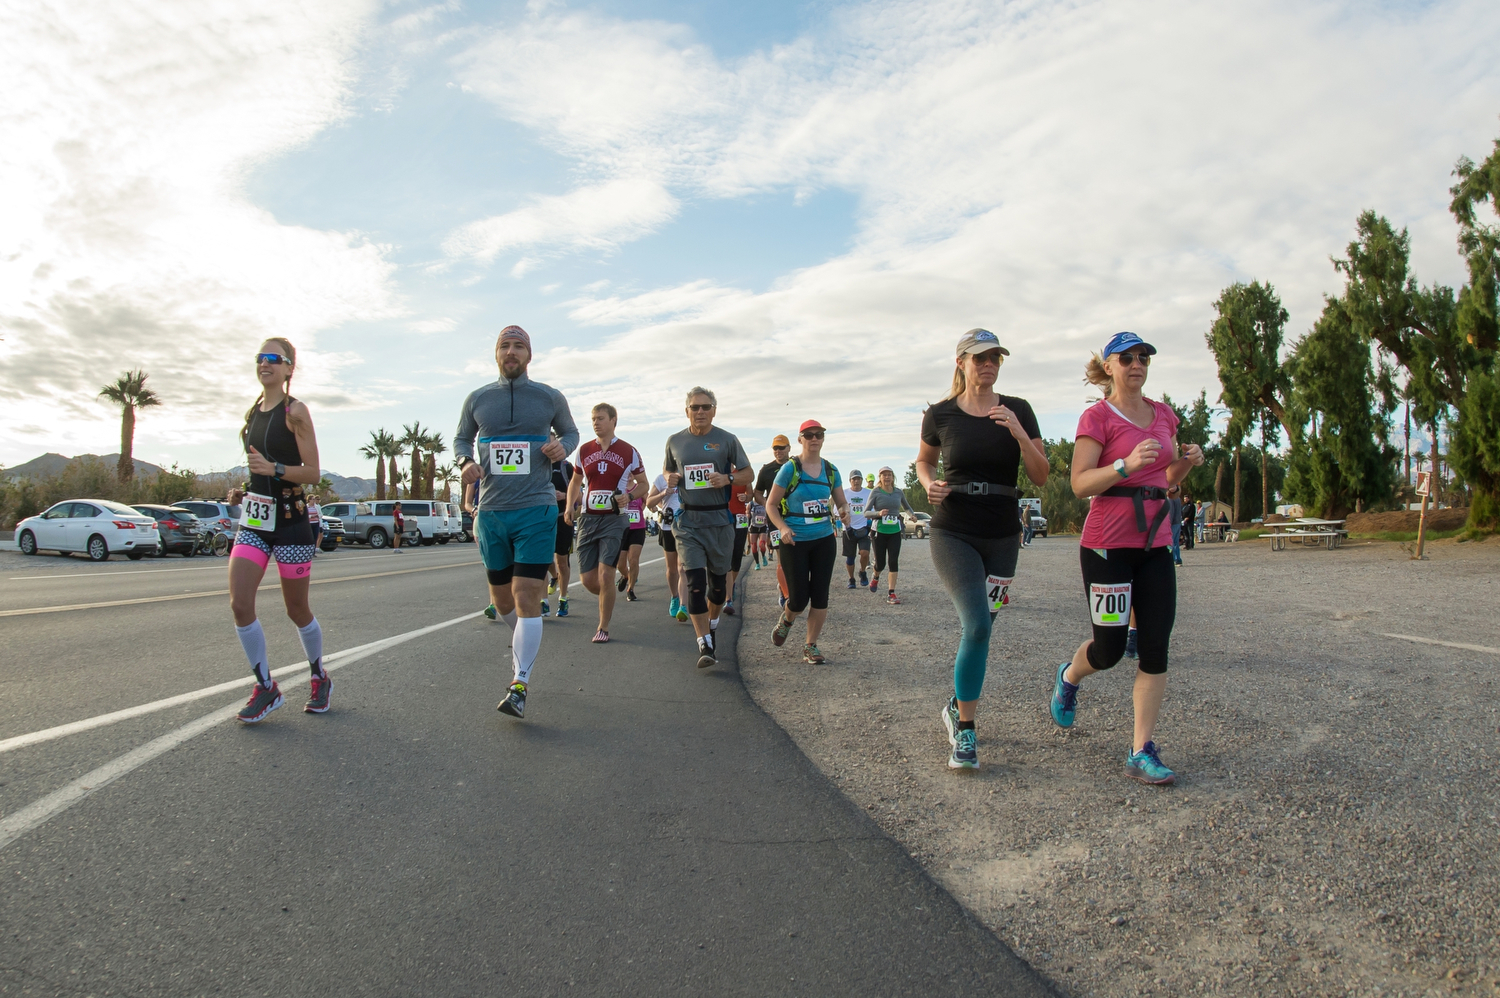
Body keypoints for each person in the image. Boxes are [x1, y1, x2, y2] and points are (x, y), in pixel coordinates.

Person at [1047, 331, 1205, 786]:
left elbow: (1168, 477)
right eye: (1127, 358)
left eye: (1144, 357)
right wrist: (1125, 466)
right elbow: (1080, 484)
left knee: (1155, 646)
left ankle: (1141, 750)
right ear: (1110, 367)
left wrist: (1187, 462)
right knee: (1111, 649)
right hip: (1107, 545)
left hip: (1155, 544)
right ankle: (1070, 675)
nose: (1137, 364)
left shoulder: (1163, 415)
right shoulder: (1096, 417)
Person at [916, 328, 1048, 769]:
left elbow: (1042, 473)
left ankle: (956, 705)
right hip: (953, 531)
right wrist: (928, 483)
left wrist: (1018, 434)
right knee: (975, 627)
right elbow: (923, 460)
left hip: (1004, 536)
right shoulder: (940, 414)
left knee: (985, 628)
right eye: (979, 357)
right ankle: (967, 733)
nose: (988, 364)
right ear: (962, 363)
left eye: (995, 357)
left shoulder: (1020, 410)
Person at [456, 325, 579, 719]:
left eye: (519, 346)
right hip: (492, 512)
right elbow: (461, 439)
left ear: (529, 355)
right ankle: (525, 639)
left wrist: (564, 446)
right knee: (503, 600)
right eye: (505, 346)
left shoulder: (548, 397)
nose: (512, 352)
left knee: (528, 593)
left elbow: (572, 431)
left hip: (537, 509)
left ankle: (519, 682)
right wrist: (467, 462)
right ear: (496, 354)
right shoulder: (478, 398)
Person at [228, 338, 332, 721]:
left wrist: (274, 471)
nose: (265, 363)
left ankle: (319, 676)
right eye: (260, 357)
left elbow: (313, 473)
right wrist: (245, 490)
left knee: (296, 608)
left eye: (274, 358)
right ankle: (265, 687)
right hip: (254, 521)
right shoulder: (253, 412)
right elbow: (259, 467)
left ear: (289, 369)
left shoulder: (295, 411)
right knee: (240, 604)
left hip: (291, 521)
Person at [662, 387, 752, 669]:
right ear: (686, 410)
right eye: (694, 407)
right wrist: (670, 477)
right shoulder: (675, 441)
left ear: (714, 410)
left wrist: (727, 477)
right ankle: (703, 642)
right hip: (688, 521)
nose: (700, 412)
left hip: (719, 521)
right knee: (695, 585)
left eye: (705, 407)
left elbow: (748, 473)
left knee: (716, 587)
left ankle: (711, 626)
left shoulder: (727, 439)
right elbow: (666, 469)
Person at [765, 419, 848, 663]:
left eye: (819, 435)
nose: (814, 439)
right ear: (800, 439)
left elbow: (841, 501)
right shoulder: (790, 469)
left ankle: (810, 646)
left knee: (821, 595)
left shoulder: (831, 470)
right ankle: (787, 619)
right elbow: (771, 504)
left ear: (823, 438)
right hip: (794, 541)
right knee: (799, 598)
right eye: (809, 435)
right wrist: (782, 528)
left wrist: (844, 510)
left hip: (823, 538)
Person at [566, 403, 647, 643]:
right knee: (588, 580)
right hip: (588, 519)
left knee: (605, 574)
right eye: (593, 419)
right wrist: (570, 506)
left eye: (600, 418)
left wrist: (629, 496)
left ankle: (603, 627)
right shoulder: (583, 450)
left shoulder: (628, 451)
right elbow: (575, 482)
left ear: (613, 420)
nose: (596, 422)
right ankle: (610, 593)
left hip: (614, 519)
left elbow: (644, 484)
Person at [754, 434, 793, 609]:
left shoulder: (797, 466)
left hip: (795, 517)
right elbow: (757, 492)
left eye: (781, 448)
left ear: (789, 448)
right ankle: (785, 593)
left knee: (796, 554)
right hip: (775, 519)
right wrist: (768, 504)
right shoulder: (767, 470)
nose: (778, 452)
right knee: (781, 555)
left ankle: (792, 588)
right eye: (775, 449)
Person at [865, 466, 914, 604]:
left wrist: (912, 515)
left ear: (893, 477)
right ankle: (875, 577)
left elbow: (907, 507)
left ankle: (891, 593)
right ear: (880, 477)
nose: (887, 477)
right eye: (884, 475)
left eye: (889, 475)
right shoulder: (875, 492)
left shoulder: (898, 492)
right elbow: (866, 512)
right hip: (879, 531)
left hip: (895, 531)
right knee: (880, 563)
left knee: (893, 561)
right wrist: (878, 514)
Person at [540, 452, 575, 618]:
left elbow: (579, 494)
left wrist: (564, 496)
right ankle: (544, 602)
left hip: (562, 519)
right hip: (541, 520)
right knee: (542, 561)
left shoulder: (566, 467)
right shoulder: (537, 465)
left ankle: (563, 598)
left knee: (561, 561)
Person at [646, 473, 684, 619]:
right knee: (672, 568)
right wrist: (663, 493)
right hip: (668, 527)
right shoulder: (661, 479)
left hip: (686, 526)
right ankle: (674, 597)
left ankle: (684, 603)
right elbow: (649, 502)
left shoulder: (686, 474)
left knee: (683, 567)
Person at [841, 470, 873, 589]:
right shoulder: (844, 493)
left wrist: (871, 517)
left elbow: (874, 507)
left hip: (864, 527)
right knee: (850, 557)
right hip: (849, 529)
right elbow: (836, 509)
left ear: (861, 480)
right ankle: (851, 579)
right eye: (854, 479)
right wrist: (844, 514)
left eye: (858, 478)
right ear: (850, 481)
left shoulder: (868, 493)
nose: (856, 481)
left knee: (865, 553)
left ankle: (863, 571)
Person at [723, 485, 751, 615]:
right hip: (723, 516)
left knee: (737, 555)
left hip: (741, 517)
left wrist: (746, 497)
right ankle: (728, 597)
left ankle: (731, 583)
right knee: (726, 554)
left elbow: (751, 494)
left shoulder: (743, 472)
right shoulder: (719, 470)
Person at [615, 493, 648, 602]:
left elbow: (648, 503)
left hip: (637, 529)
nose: (629, 475)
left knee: (633, 560)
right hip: (622, 528)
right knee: (620, 564)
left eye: (631, 474)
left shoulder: (639, 489)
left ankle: (631, 589)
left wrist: (642, 508)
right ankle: (626, 576)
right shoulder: (620, 488)